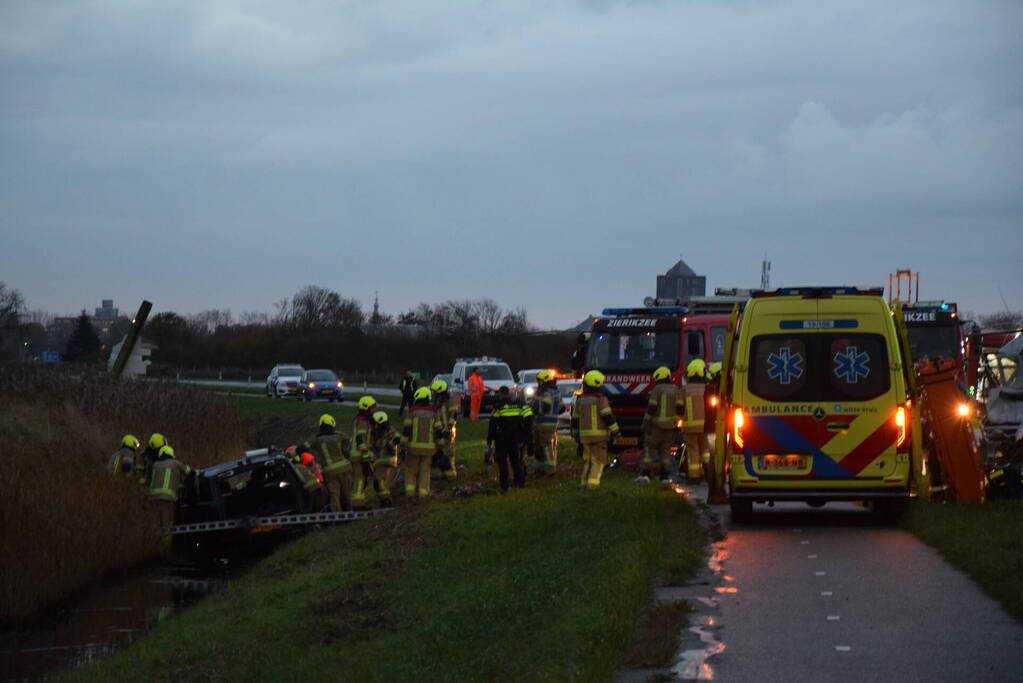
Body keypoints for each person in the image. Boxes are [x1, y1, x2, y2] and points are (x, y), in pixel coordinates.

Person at [571, 370, 620, 490]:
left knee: (587, 461)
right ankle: (593, 486)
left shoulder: (580, 400)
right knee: (598, 461)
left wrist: (576, 435)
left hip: (585, 438)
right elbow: (607, 416)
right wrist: (615, 431)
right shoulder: (601, 399)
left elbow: (575, 420)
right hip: (599, 437)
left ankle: (583, 483)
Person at [638, 366, 685, 484]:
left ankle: (645, 474)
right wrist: (677, 425)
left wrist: (645, 423)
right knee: (665, 452)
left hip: (656, 427)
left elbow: (651, 408)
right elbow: (680, 409)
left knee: (649, 450)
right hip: (671, 428)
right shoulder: (676, 390)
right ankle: (664, 476)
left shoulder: (657, 389)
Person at [306, 414, 354, 511]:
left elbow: (304, 447)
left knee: (334, 494)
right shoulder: (340, 436)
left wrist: (292, 452)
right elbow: (350, 443)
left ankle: (337, 516)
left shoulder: (317, 440)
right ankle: (350, 513)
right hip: (344, 469)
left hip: (329, 472)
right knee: (347, 493)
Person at [403, 387, 442, 500]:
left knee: (411, 471)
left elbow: (406, 429)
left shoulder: (412, 411)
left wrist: (402, 445)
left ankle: (410, 494)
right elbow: (438, 430)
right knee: (425, 471)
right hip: (429, 449)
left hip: (413, 448)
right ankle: (423, 494)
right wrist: (440, 446)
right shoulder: (434, 412)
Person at [487, 386, 527, 491]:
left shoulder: (499, 406)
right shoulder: (517, 405)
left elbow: (493, 424)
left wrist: (489, 440)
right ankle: (520, 482)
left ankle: (504, 485)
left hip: (502, 438)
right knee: (515, 461)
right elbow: (523, 421)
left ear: (500, 394)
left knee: (503, 462)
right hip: (514, 438)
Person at [147, 445, 192, 530]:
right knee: (167, 519)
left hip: (153, 496)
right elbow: (188, 470)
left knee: (155, 518)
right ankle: (166, 538)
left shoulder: (155, 464)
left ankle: (152, 537)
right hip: (167, 497)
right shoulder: (175, 463)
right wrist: (198, 473)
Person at [683, 359, 711, 482]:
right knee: (705, 450)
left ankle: (694, 476)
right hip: (705, 426)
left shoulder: (685, 390)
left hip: (690, 427)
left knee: (693, 450)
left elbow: (679, 408)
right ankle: (708, 473)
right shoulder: (707, 388)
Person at [530, 370, 561, 476]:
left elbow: (545, 406)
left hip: (544, 423)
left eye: (539, 381)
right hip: (550, 424)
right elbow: (560, 408)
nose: (538, 383)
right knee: (541, 447)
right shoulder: (555, 391)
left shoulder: (546, 392)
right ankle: (541, 469)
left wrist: (535, 410)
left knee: (545, 448)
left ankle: (549, 470)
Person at [351, 396, 379, 509]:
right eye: (373, 408)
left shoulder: (362, 420)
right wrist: (366, 456)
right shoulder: (363, 421)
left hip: (358, 454)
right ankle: (357, 505)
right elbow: (360, 439)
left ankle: (360, 502)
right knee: (359, 479)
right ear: (367, 408)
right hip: (360, 455)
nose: (375, 410)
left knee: (363, 479)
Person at [370, 410, 401, 507]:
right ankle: (385, 501)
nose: (373, 426)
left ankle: (387, 502)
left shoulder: (391, 433)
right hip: (381, 463)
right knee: (378, 483)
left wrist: (392, 444)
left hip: (388, 463)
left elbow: (396, 442)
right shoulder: (379, 434)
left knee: (379, 483)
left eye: (375, 424)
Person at [431, 379, 459, 481]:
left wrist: (448, 429)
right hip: (439, 432)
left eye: (435, 392)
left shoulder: (449, 402)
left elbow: (453, 415)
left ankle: (452, 476)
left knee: (448, 454)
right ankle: (442, 474)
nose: (433, 394)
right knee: (439, 454)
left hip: (447, 432)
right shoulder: (437, 403)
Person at [286, 445, 325, 511]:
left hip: (315, 484)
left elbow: (311, 470)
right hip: (317, 483)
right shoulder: (303, 459)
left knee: (315, 506)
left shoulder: (303, 460)